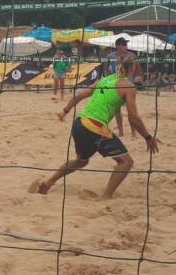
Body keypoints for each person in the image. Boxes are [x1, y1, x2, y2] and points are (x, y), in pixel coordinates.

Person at [29, 53, 161, 199]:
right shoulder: (128, 87)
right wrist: (148, 137)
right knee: (126, 162)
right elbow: (133, 118)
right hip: (94, 126)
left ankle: (48, 182)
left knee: (81, 161)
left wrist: (64, 111)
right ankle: (106, 197)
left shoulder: (104, 80)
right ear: (134, 67)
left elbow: (79, 96)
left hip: (79, 123)